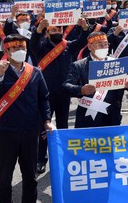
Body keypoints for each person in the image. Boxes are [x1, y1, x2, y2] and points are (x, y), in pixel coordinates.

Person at [0, 34, 52, 203]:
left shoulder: (35, 72)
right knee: (4, 177)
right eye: (15, 48)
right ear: (7, 51)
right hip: (6, 132)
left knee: (30, 176)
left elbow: (44, 97)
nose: (20, 51)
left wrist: (47, 120)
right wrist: (1, 72)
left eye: (23, 47)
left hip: (30, 131)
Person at [30, 17, 89, 174]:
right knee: (43, 127)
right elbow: (33, 45)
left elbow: (82, 41)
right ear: (48, 32)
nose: (57, 32)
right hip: (45, 93)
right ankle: (41, 159)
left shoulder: (67, 46)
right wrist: (38, 30)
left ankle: (63, 156)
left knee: (63, 126)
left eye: (59, 30)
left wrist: (84, 27)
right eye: (53, 30)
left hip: (64, 93)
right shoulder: (42, 46)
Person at [63, 32, 128, 128]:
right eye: (99, 44)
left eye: (106, 44)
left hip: (112, 116)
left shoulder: (116, 63)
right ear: (90, 47)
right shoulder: (79, 65)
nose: (104, 47)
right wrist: (81, 89)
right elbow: (66, 86)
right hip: (88, 117)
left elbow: (126, 83)